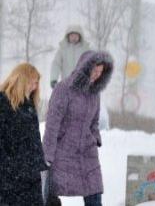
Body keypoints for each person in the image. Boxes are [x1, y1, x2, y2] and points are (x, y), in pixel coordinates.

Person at [43, 51, 113, 206]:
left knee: (94, 192)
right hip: (64, 152)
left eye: (100, 72)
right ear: (84, 67)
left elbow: (94, 121)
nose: (96, 75)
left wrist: (95, 138)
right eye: (94, 70)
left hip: (88, 153)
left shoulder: (95, 93)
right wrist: (47, 154)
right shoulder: (63, 89)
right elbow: (52, 124)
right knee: (50, 194)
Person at [0, 63, 47, 206]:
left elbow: (35, 138)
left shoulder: (29, 105)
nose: (35, 86)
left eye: (37, 83)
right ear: (22, 79)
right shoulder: (3, 102)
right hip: (10, 177)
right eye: (33, 81)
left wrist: (40, 163)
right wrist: (10, 166)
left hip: (31, 176)